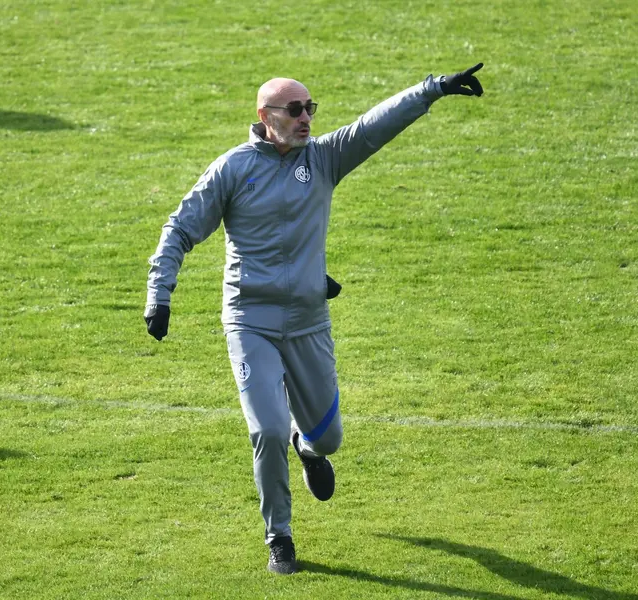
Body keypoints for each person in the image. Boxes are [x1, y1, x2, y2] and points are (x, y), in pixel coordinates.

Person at [143, 63, 485, 575]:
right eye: (295, 109)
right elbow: (179, 229)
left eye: (310, 108)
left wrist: (431, 88)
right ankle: (279, 536)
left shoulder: (323, 159)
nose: (306, 118)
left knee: (328, 439)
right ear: (265, 116)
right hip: (249, 319)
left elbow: (373, 126)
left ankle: (310, 448)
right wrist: (159, 294)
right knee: (267, 428)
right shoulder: (233, 169)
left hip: (307, 321)